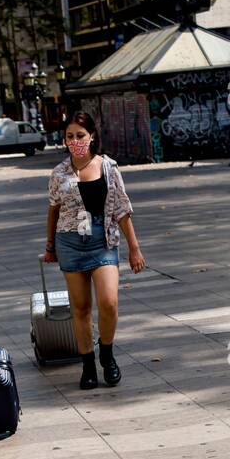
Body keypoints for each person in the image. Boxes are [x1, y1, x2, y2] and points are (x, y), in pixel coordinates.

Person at [45, 111, 146, 389]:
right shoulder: (58, 173)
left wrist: (134, 248)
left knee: (109, 302)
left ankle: (107, 353)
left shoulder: (109, 167)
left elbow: (123, 209)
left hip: (103, 239)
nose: (75, 141)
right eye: (70, 136)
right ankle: (87, 363)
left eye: (80, 135)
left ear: (92, 137)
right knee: (80, 308)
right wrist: (50, 246)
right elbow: (53, 211)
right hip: (70, 241)